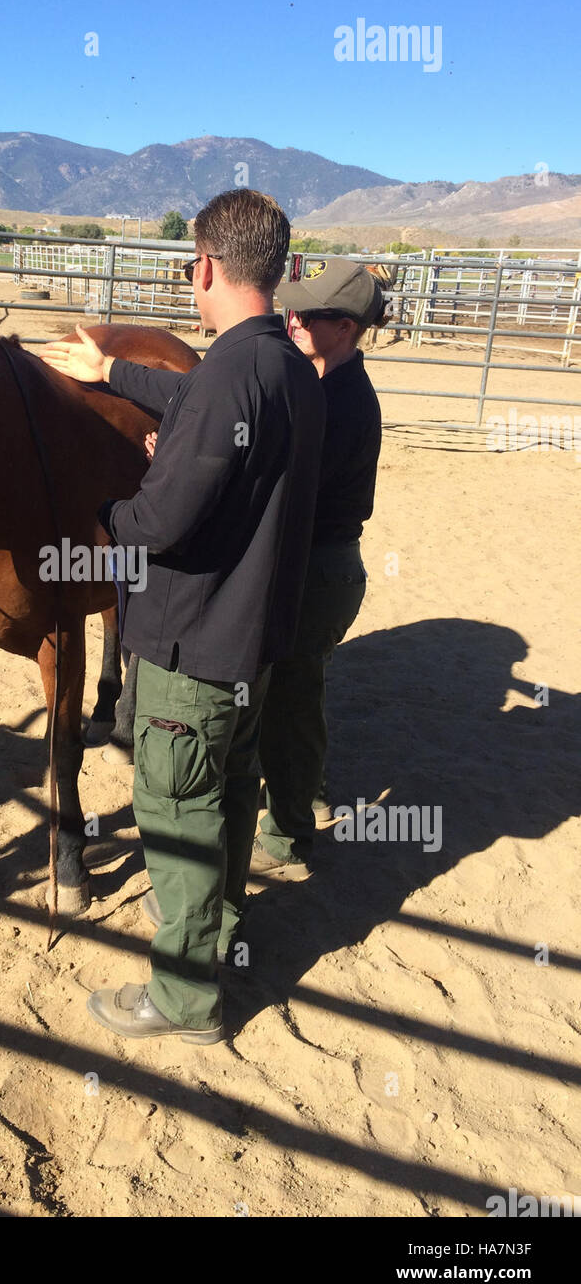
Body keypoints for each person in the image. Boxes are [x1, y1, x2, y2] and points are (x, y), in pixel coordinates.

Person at [40, 189, 325, 1044]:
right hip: (250, 642)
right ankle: (218, 930)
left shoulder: (225, 381)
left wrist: (106, 503)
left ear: (203, 265)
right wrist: (118, 378)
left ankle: (184, 998)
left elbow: (158, 523)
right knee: (232, 794)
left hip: (191, 646)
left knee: (176, 814)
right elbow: (210, 422)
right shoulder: (286, 368)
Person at [252, 257, 385, 879]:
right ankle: (306, 792)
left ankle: (289, 833)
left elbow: (285, 484)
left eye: (311, 314)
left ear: (347, 328)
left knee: (291, 702)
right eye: (293, 309)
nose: (294, 319)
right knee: (295, 694)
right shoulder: (324, 384)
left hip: (317, 567)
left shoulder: (342, 402)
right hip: (321, 565)